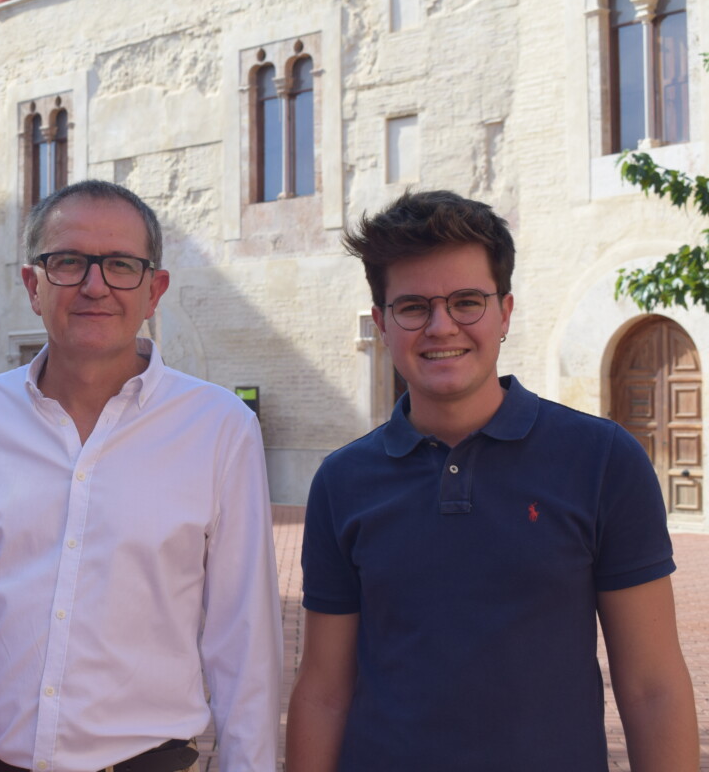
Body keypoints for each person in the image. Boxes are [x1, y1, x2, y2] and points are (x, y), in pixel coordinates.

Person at [0, 180, 282, 772]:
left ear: (154, 289)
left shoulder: (219, 428)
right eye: (68, 262)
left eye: (120, 265)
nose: (95, 286)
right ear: (33, 286)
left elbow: (243, 639)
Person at [286, 190, 698, 771]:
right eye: (412, 307)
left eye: (466, 302)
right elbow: (324, 692)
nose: (440, 326)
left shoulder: (603, 461)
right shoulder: (343, 481)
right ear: (381, 323)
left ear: (505, 312)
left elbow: (653, 686)